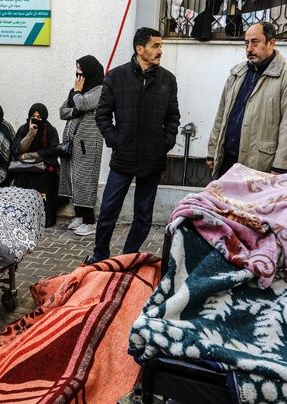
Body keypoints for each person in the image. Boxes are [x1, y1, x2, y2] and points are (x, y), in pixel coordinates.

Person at [86, 27, 180, 264]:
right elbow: (102, 115)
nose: (160, 51)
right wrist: (116, 141)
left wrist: (164, 143)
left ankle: (127, 258)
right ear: (140, 49)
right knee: (108, 211)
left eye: (161, 46)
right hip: (123, 157)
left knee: (143, 216)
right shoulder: (116, 77)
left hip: (152, 159)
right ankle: (100, 257)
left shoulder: (167, 80)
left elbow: (172, 117)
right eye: (155, 46)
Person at [206, 22, 287, 177]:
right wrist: (212, 151)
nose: (249, 49)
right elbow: (221, 115)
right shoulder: (237, 73)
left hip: (259, 165)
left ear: (271, 43)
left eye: (255, 42)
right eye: (246, 43)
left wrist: (279, 166)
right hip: (227, 160)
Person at [59, 55, 105, 236]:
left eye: (81, 69)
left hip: (88, 143)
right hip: (73, 143)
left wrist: (78, 96)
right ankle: (79, 215)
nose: (78, 74)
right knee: (74, 179)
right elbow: (63, 112)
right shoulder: (76, 90)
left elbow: (85, 103)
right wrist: (77, 106)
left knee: (85, 180)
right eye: (77, 69)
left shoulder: (100, 90)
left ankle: (90, 221)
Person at [12, 103, 60, 227]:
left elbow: (53, 150)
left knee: (45, 180)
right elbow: (18, 150)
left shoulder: (50, 130)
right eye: (34, 116)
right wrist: (31, 134)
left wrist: (32, 155)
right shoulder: (24, 129)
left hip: (43, 166)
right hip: (25, 168)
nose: (36, 119)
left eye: (39, 117)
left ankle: (43, 218)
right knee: (21, 179)